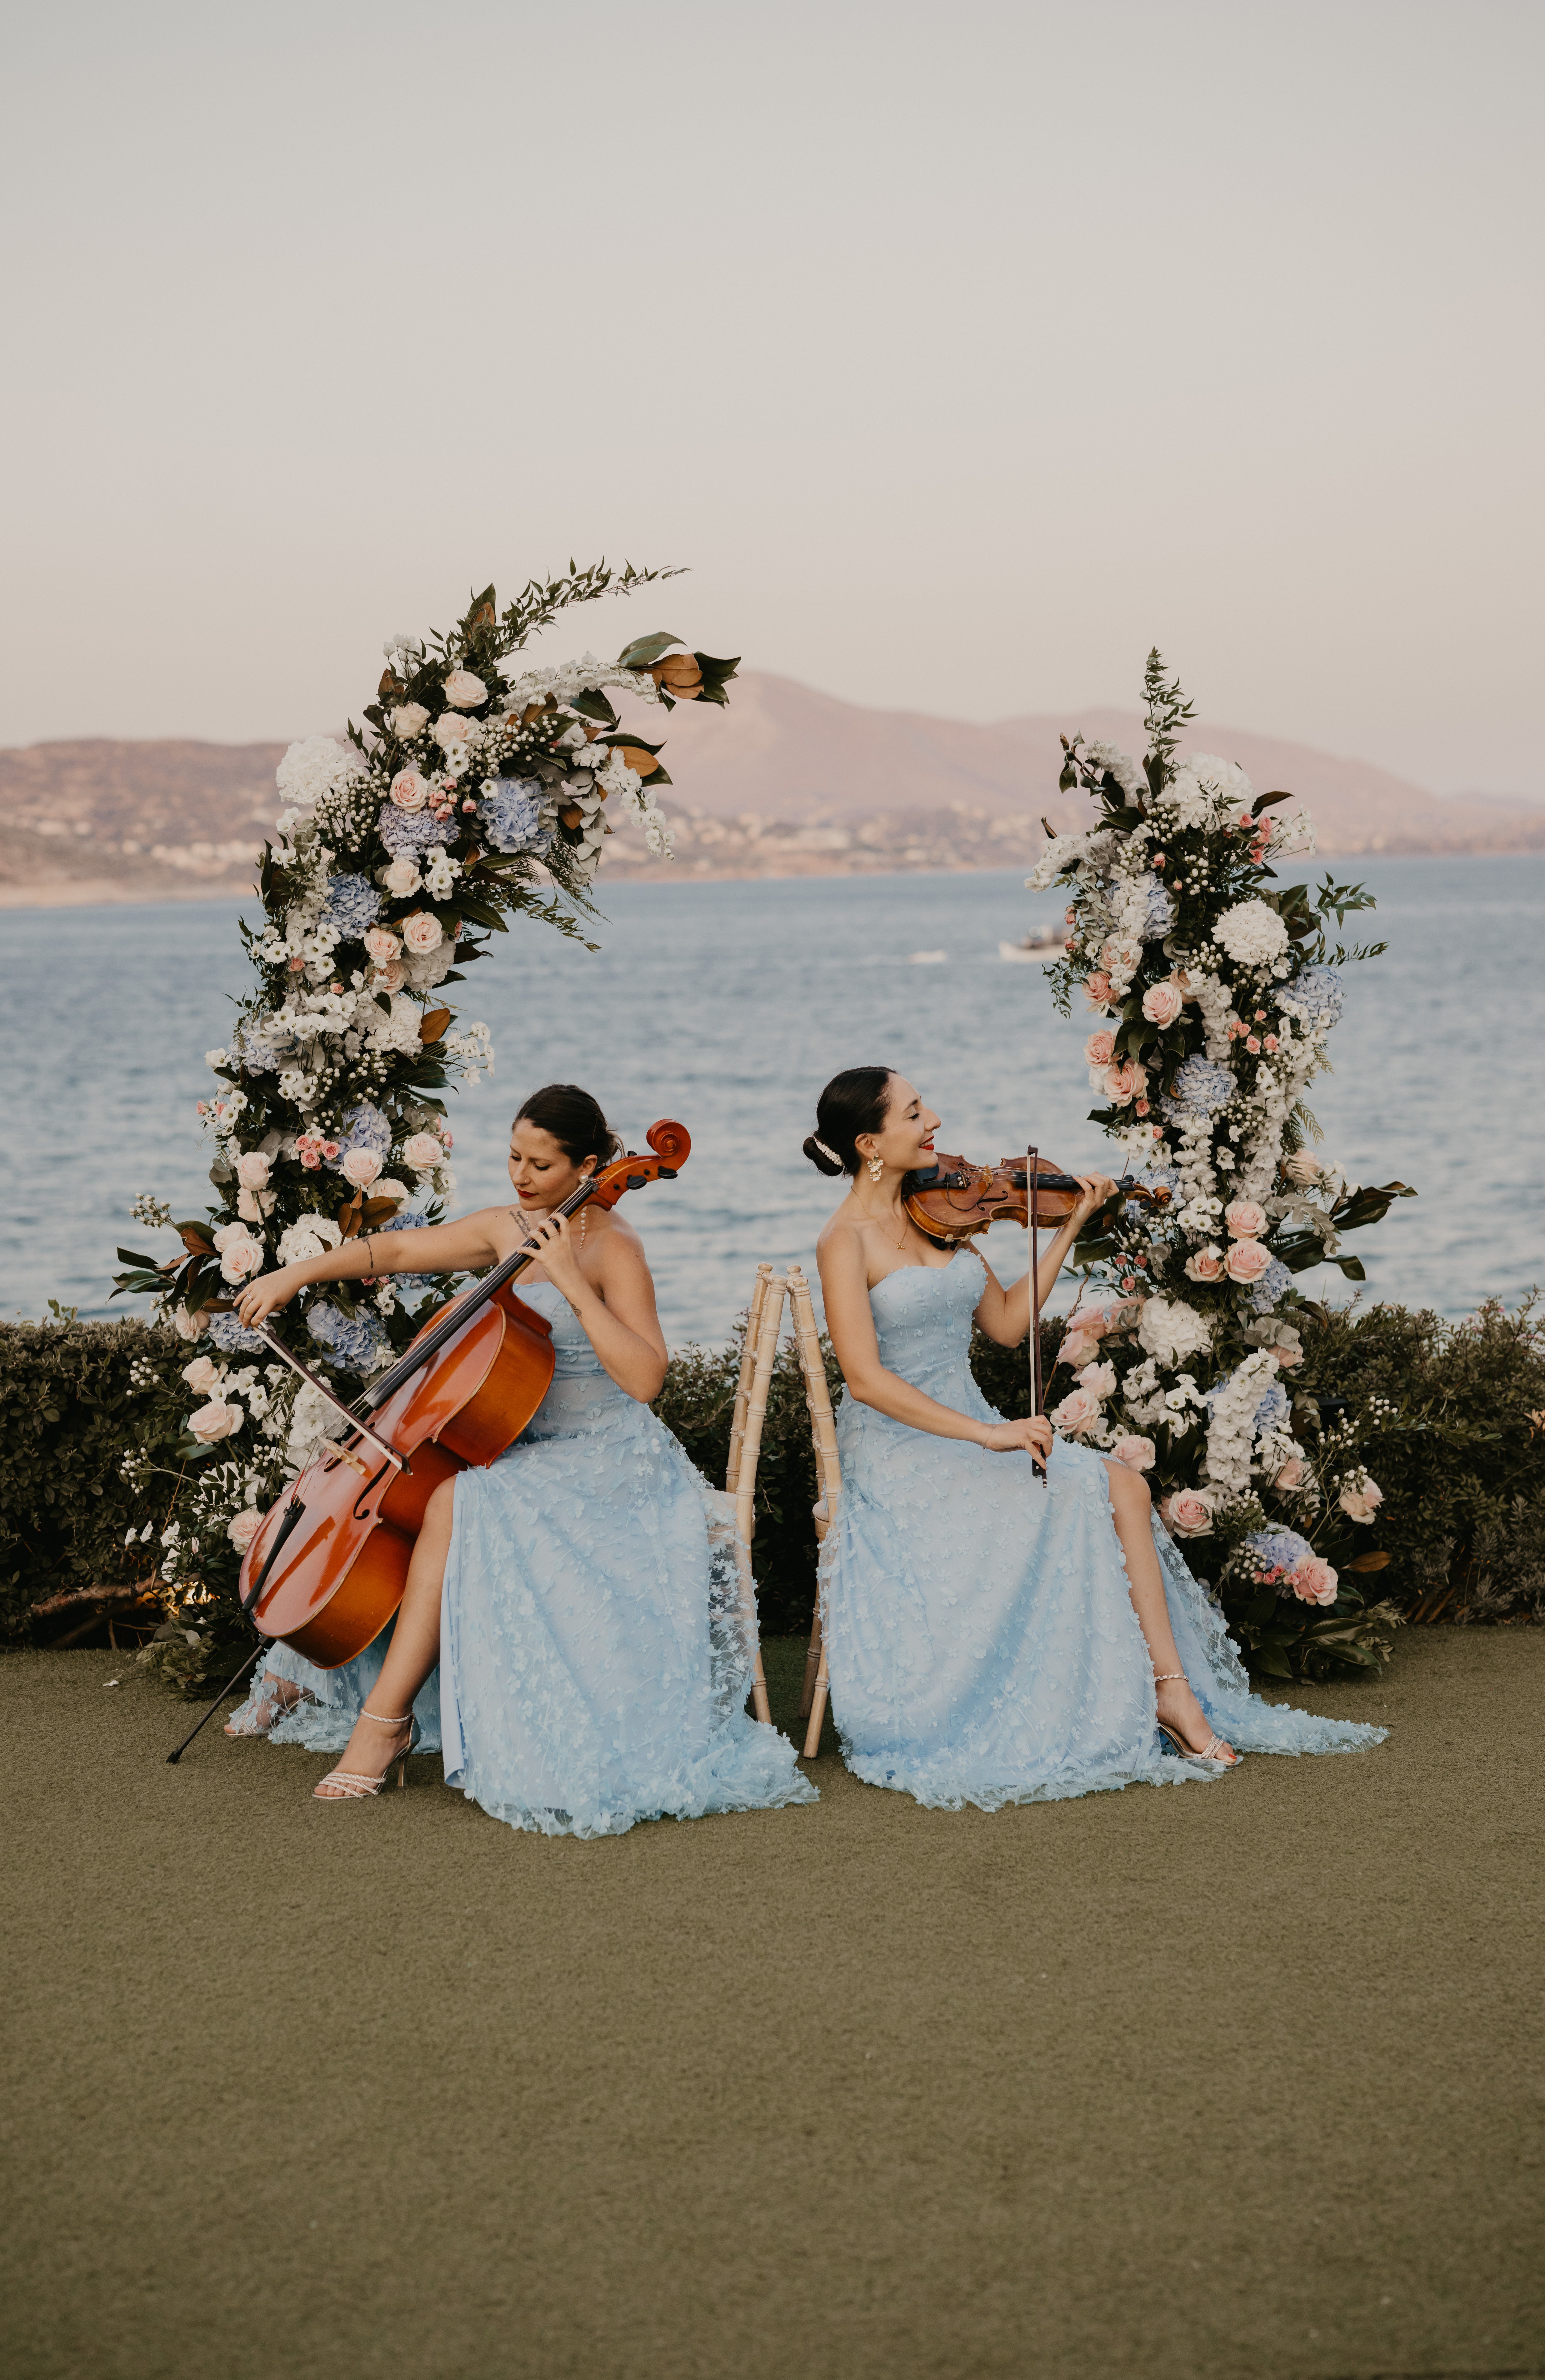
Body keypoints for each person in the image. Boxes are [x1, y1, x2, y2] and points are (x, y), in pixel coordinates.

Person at [227, 1083, 816, 1835]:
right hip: (517, 1447)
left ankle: (385, 1723)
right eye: (513, 1156)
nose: (522, 1176)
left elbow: (645, 1378)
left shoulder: (616, 1249)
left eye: (542, 1164)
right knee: (426, 1491)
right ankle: (314, 1673)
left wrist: (573, 1279)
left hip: (605, 1461)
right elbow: (401, 1248)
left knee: (451, 1502)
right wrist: (295, 1274)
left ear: (589, 1166)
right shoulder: (509, 1227)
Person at [806, 1066, 1385, 1809]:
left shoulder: (938, 1210)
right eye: (916, 1112)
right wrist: (988, 1434)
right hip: (906, 1447)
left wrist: (1070, 1223)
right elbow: (865, 1379)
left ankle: (1171, 1692)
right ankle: (1142, 1692)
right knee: (1094, 1488)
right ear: (869, 1142)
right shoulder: (842, 1240)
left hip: (982, 1431)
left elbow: (1010, 1325)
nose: (936, 1121)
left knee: (1127, 1482)